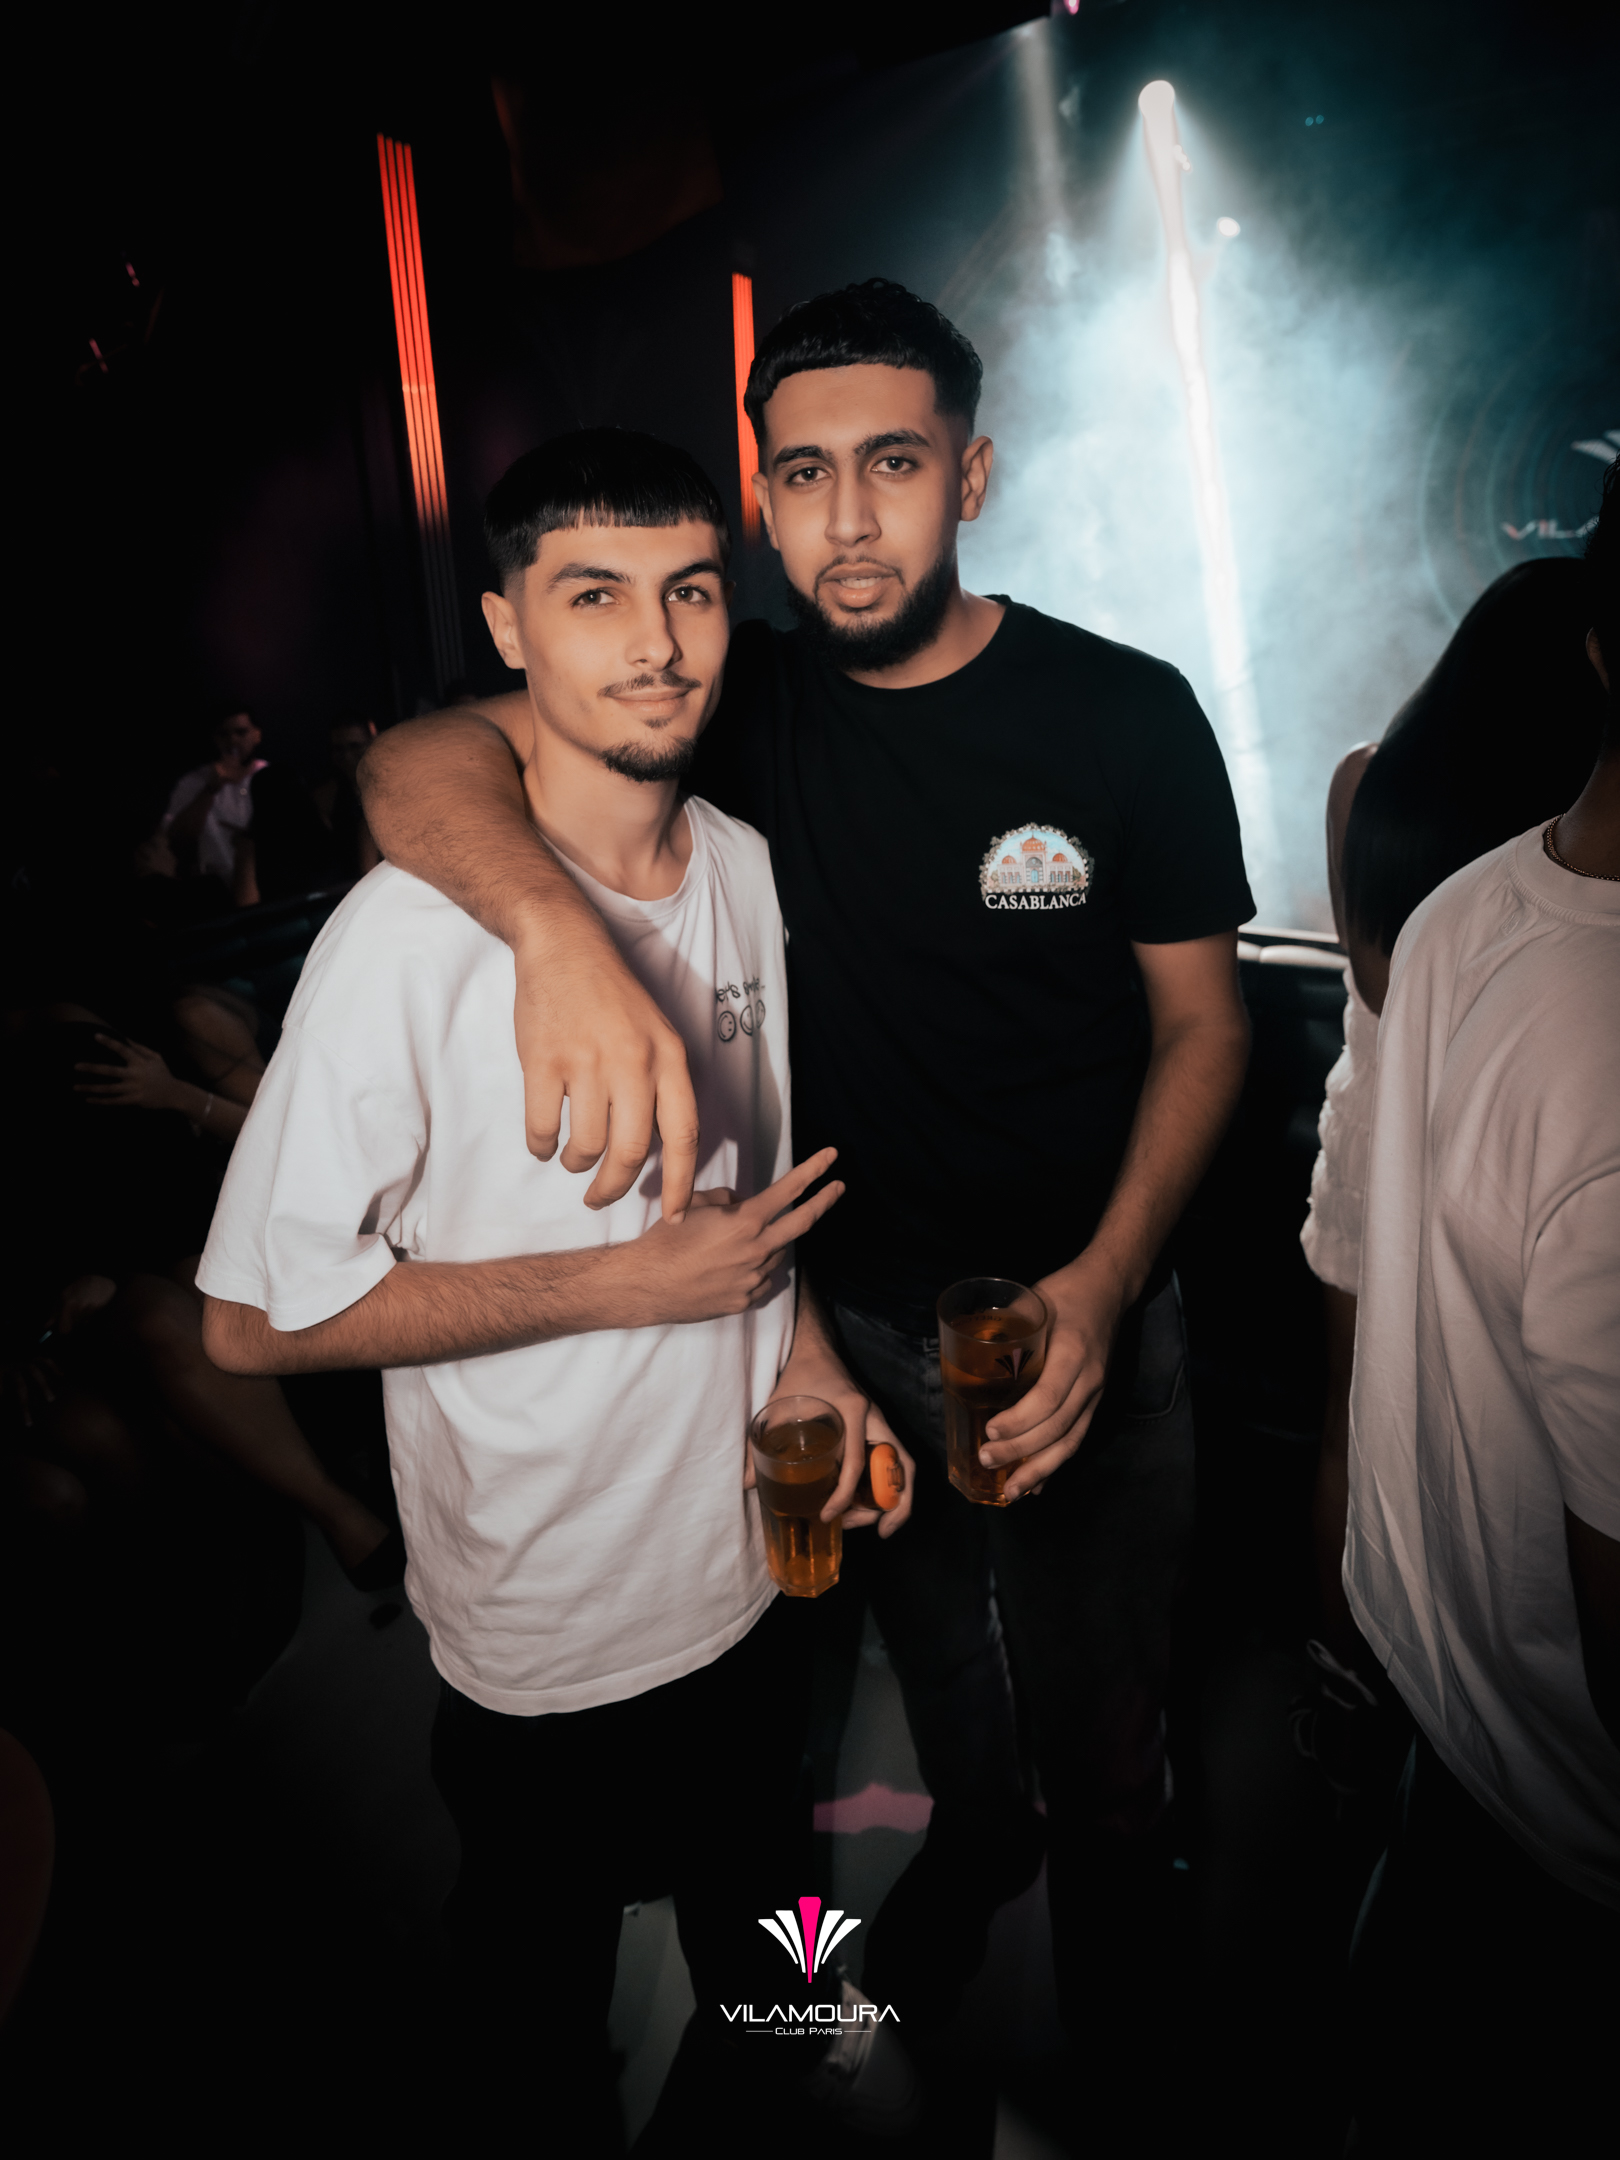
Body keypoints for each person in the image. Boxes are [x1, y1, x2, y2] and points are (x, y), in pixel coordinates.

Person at [357, 280, 1255, 2089]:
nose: (847, 519)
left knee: (1102, 1696)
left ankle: (1120, 1962)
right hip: (849, 1330)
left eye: (894, 465)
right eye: (803, 472)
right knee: (941, 1667)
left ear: (970, 476)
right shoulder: (735, 696)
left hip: (1090, 1313)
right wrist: (548, 933)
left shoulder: (1122, 710)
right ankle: (978, 1849)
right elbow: (419, 756)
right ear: (762, 495)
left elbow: (1204, 1026)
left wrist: (1101, 1285)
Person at [196, 429, 910, 2148]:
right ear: (511, 629)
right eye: (595, 596)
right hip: (550, 1617)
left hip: (749, 1557)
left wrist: (809, 1360)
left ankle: (780, 2035)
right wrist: (621, 1287)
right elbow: (245, 1320)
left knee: (769, 1875)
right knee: (533, 1979)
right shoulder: (407, 937)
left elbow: (741, 1196)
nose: (655, 643)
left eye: (689, 592)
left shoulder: (739, 863)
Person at [1342, 464, 1620, 2153]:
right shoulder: (1585, 1039)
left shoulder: (1452, 899)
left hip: (1442, 1653)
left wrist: (1357, 1516)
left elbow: (1362, 1211)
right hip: (1565, 1802)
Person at [1295, 561, 1609, 1788]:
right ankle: (1496, 1717)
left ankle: (1342, 1677)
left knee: (1353, 1428)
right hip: (1491, 1159)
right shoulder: (1543, 844)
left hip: (1372, 1136)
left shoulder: (1367, 784)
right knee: (1510, 1455)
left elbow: (1370, 988)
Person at [160, 710, 266, 902]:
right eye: (224, 734)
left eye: (241, 732)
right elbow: (176, 838)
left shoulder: (272, 777)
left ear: (257, 735)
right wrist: (210, 789)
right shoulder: (193, 783)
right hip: (215, 891)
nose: (232, 740)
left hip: (269, 883)